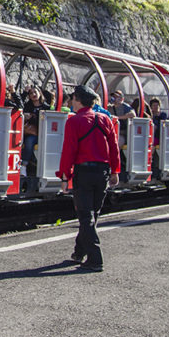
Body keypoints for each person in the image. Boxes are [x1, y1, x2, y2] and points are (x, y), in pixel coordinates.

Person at [57, 85, 120, 272]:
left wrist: (64, 176)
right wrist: (115, 170)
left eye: (73, 99)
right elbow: (114, 147)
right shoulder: (105, 119)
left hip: (83, 172)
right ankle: (79, 252)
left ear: (78, 100)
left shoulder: (74, 121)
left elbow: (69, 151)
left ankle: (95, 257)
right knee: (92, 214)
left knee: (85, 215)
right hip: (102, 172)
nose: (71, 102)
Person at [149, 98, 168, 178]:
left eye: (157, 105)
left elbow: (163, 126)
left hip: (159, 137)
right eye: (153, 106)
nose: (155, 107)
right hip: (150, 136)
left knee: (152, 144)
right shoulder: (149, 115)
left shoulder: (162, 115)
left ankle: (150, 159)